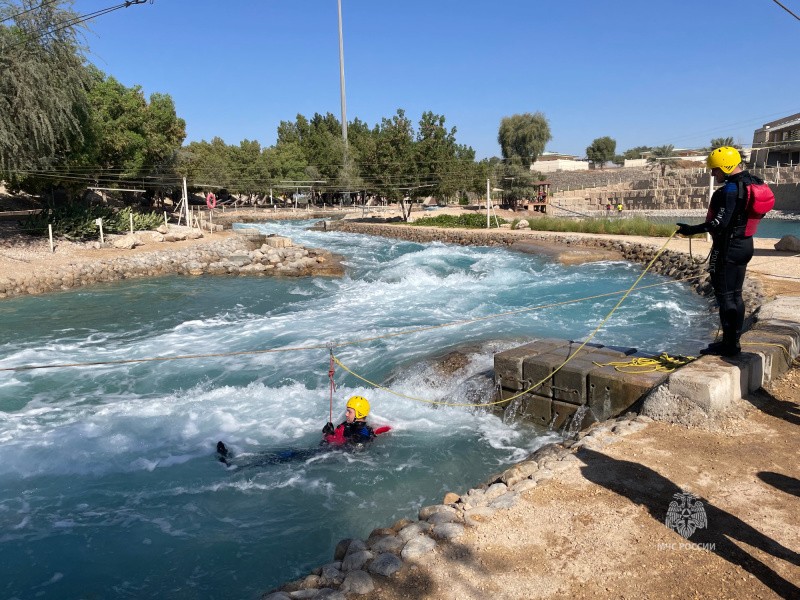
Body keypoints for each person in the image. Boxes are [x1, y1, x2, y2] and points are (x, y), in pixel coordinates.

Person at [676, 146, 758, 357]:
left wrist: (690, 230)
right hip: (745, 245)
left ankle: (730, 345)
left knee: (725, 297)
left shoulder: (730, 190)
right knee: (736, 295)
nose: (713, 174)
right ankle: (733, 341)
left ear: (726, 167)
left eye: (716, 170)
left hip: (728, 249)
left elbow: (719, 224)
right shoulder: (753, 182)